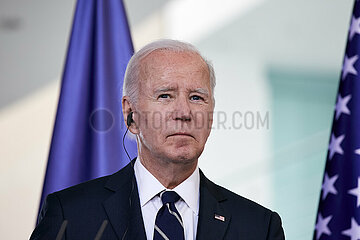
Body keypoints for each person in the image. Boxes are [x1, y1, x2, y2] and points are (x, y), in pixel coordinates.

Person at [30, 39, 285, 240]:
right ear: (131, 114)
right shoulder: (70, 214)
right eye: (165, 96)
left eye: (197, 97)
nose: (184, 112)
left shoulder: (259, 226)